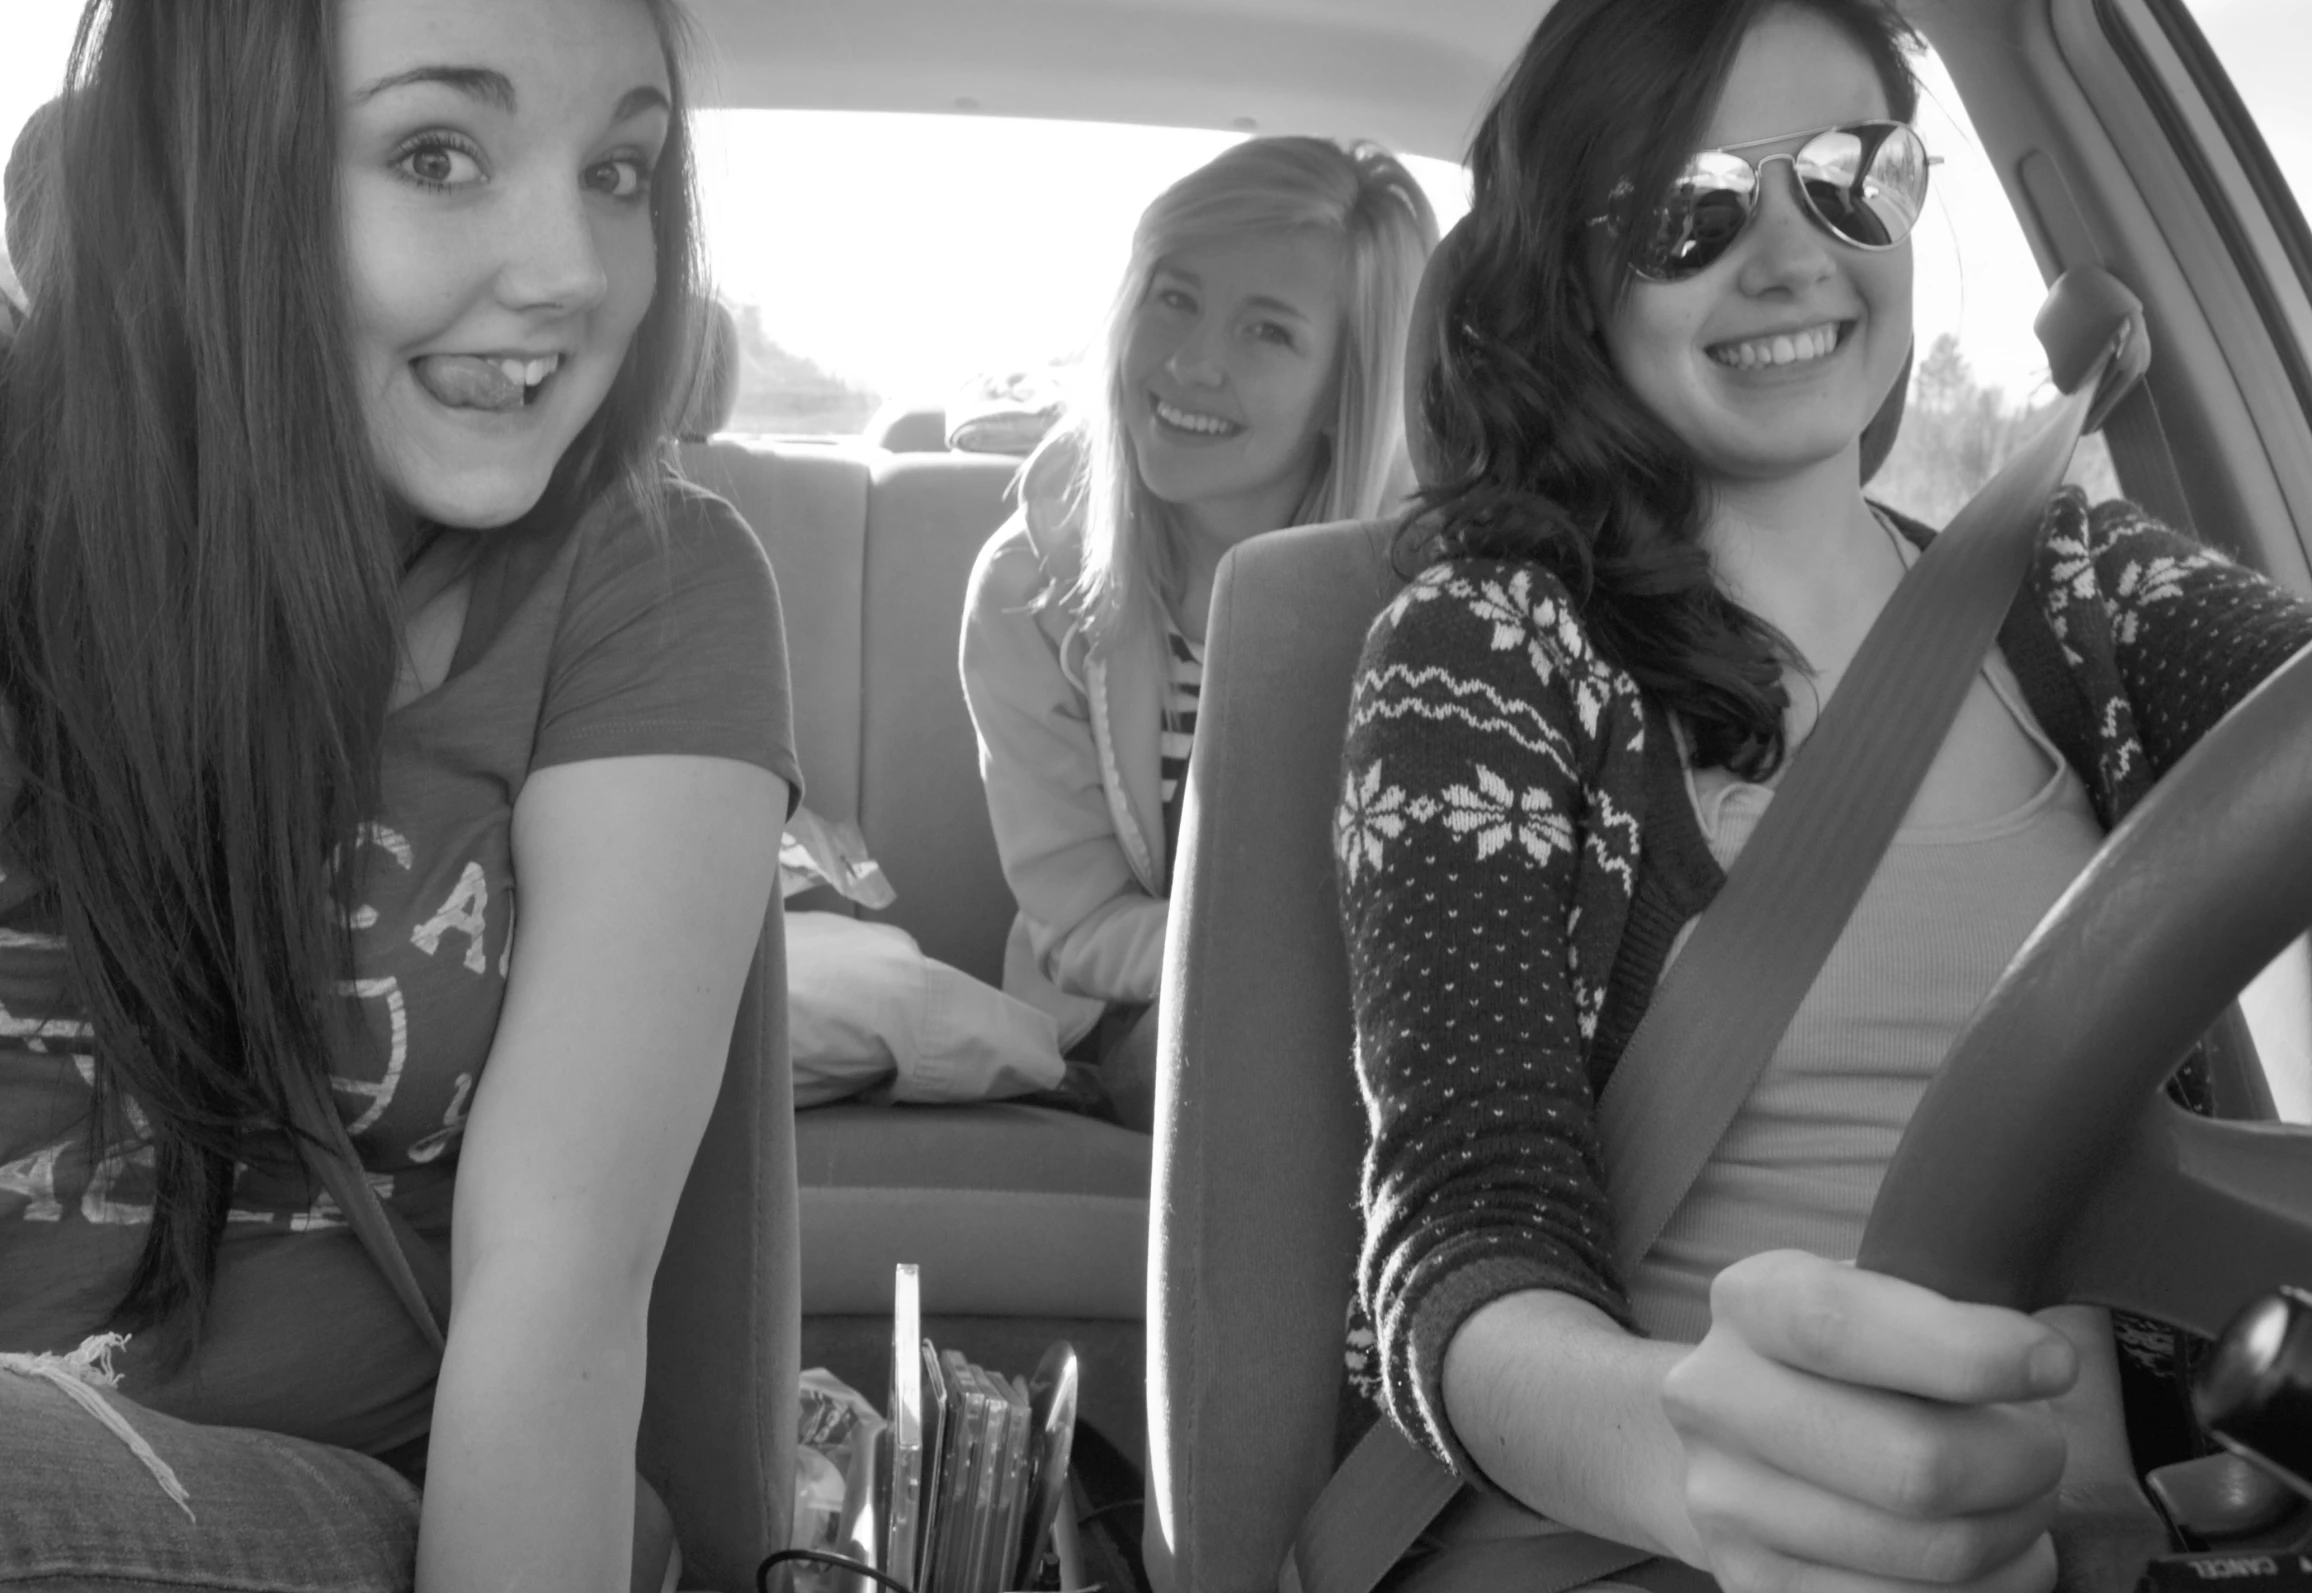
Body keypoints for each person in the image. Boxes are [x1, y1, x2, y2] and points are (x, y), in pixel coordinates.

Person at [1334, 1, 2312, 1590]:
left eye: (1853, 175)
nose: (1794, 257)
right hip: (1668, 1547)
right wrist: (1700, 1468)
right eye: (1688, 209)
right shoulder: (1481, 648)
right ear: (1567, 275)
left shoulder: (2078, 585)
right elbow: (1459, 1226)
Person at [0, 3, 798, 1591]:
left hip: (332, 1501)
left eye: (622, 168)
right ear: (207, 167)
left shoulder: (649, 585)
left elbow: (560, 1280)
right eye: (440, 153)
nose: (575, 269)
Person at [964, 135, 1436, 1132]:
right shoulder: (1027, 582)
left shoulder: (1432, 593)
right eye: (1171, 299)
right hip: (1131, 1018)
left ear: (1343, 387)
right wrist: (1285, 970)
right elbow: (1081, 921)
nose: (1188, 363)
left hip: (1379, 1019)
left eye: (1266, 332)